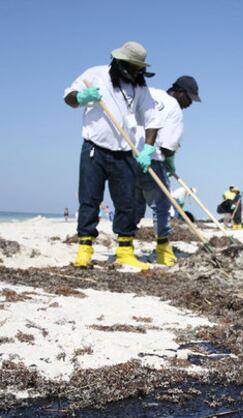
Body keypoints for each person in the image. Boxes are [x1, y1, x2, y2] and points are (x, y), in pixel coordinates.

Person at [64, 41, 162, 269]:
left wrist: (148, 148)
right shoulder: (95, 74)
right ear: (121, 64)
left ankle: (125, 251)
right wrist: (81, 98)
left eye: (140, 69)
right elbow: (68, 97)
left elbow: (152, 119)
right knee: (89, 200)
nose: (139, 73)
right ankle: (85, 249)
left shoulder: (139, 87)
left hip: (125, 154)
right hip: (94, 149)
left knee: (127, 203)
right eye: (135, 68)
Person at [132, 76, 201, 266]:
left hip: (129, 156)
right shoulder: (175, 108)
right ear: (179, 91)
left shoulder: (149, 93)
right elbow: (168, 147)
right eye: (189, 98)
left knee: (133, 206)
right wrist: (170, 160)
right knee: (161, 207)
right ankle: (163, 250)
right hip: (153, 160)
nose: (190, 104)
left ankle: (125, 247)